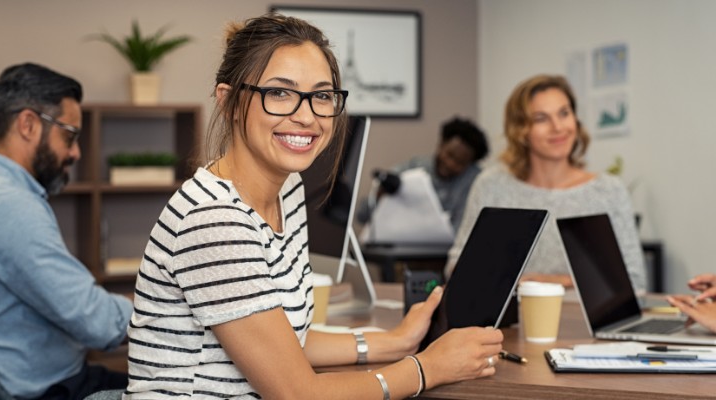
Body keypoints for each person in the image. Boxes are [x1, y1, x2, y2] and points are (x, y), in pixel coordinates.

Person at [125, 13, 503, 399]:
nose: (306, 117)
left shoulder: (287, 189)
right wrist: (427, 368)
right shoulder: (214, 220)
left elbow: (285, 340)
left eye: (322, 95)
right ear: (230, 102)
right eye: (279, 93)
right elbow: (297, 393)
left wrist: (395, 341)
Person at [0, 63, 133, 399]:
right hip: (44, 391)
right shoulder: (7, 205)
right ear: (28, 125)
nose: (76, 152)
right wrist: (165, 308)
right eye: (69, 135)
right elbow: (99, 324)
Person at [444, 74, 646, 293]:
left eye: (564, 113)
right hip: (509, 324)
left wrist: (545, 282)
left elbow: (634, 282)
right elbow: (456, 268)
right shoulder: (491, 186)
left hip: (586, 324)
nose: (558, 127)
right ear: (520, 130)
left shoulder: (609, 191)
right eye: (541, 118)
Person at [356, 117, 489, 234]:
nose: (450, 164)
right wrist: (380, 195)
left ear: (470, 165)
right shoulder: (412, 168)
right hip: (403, 251)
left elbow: (461, 232)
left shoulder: (475, 180)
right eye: (449, 155)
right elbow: (362, 215)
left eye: (460, 162)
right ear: (441, 144)